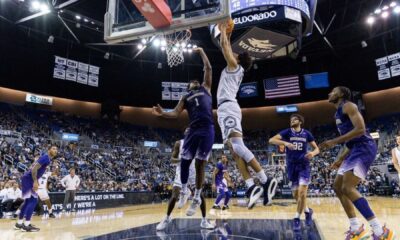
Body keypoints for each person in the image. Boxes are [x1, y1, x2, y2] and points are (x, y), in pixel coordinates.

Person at [319, 86, 395, 239]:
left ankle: (380, 232)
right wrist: (340, 159)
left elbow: (360, 129)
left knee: (347, 187)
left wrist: (334, 141)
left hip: (365, 148)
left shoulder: (348, 105)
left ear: (341, 94)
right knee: (338, 187)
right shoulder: (337, 114)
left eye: (333, 91)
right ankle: (356, 227)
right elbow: (350, 141)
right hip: (354, 149)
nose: (330, 93)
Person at [216, 19, 275, 209]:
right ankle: (251, 186)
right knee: (234, 152)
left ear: (238, 59)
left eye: (235, 54)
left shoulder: (235, 67)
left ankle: (266, 180)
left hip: (229, 107)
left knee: (237, 146)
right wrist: (227, 34)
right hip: (225, 109)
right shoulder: (235, 66)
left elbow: (225, 48)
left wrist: (224, 33)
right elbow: (225, 47)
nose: (231, 53)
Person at [153, 47, 214, 221]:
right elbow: (175, 113)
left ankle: (197, 197)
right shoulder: (185, 97)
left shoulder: (206, 88)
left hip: (207, 128)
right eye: (192, 81)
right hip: (193, 130)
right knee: (186, 163)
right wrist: (162, 113)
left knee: (200, 164)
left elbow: (208, 69)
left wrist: (202, 52)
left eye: (197, 80)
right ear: (188, 87)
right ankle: (185, 191)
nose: (195, 81)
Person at [268, 114, 320, 230]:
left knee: (302, 193)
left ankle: (296, 217)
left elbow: (317, 149)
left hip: (304, 165)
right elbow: (271, 140)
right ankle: (307, 211)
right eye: (291, 120)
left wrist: (313, 153)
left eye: (295, 119)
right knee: (296, 195)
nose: (292, 121)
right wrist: (285, 143)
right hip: (291, 166)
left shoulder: (307, 133)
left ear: (300, 122)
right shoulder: (287, 132)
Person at [156, 138, 213, 231]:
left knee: (201, 196)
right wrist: (181, 161)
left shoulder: (199, 143)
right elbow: (172, 159)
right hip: (181, 172)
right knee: (174, 196)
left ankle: (204, 221)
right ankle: (167, 218)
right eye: (188, 131)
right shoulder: (179, 143)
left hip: (194, 174)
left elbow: (208, 159)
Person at [14, 145, 58, 232]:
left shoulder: (47, 159)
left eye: (56, 149)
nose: (55, 150)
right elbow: (34, 169)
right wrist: (35, 181)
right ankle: (26, 225)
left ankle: (19, 223)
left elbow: (34, 167)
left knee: (27, 201)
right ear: (49, 150)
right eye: (53, 148)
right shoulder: (46, 157)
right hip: (29, 179)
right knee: (33, 201)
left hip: (27, 178)